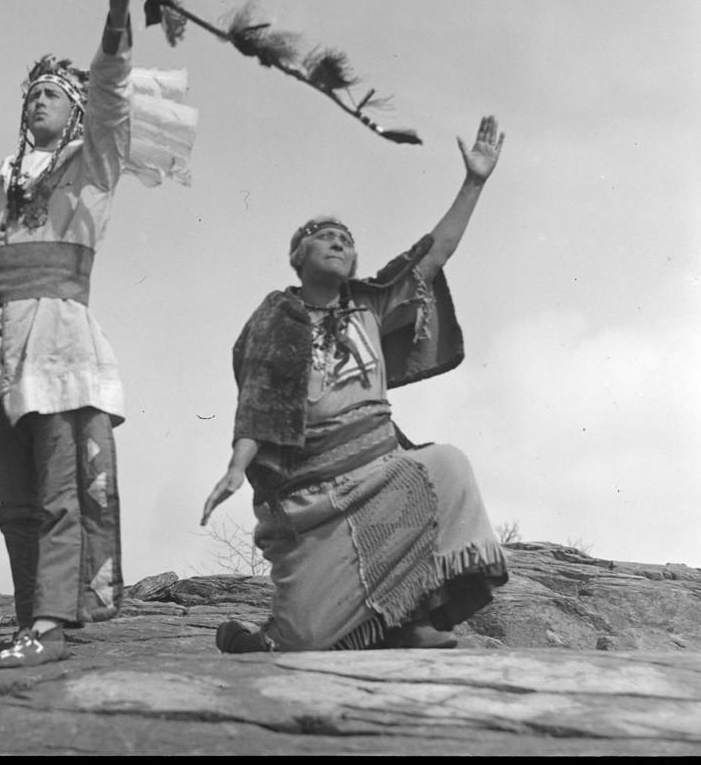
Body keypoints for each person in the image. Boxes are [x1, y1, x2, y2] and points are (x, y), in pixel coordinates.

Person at [0, 0, 195, 669]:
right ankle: (30, 614)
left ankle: (54, 624)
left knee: (60, 488)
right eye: (31, 94)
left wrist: (118, 2)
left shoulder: (89, 166)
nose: (38, 101)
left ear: (76, 111)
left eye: (53, 95)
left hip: (58, 342)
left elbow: (114, 89)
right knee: (14, 500)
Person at [201, 116, 509, 653]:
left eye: (346, 239)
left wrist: (474, 182)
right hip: (310, 492)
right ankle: (269, 635)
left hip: (379, 465)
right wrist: (236, 464)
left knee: (445, 467)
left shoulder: (370, 304)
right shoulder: (276, 316)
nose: (338, 242)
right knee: (304, 639)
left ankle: (411, 616)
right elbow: (258, 398)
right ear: (298, 258)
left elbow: (433, 254)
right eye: (324, 236)